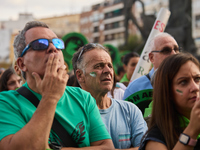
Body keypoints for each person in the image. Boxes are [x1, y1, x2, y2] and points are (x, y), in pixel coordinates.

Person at [0, 21, 114, 150]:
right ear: (21, 64)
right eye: (40, 44)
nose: (53, 48)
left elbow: (107, 148)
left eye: (57, 43)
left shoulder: (83, 98)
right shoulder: (6, 103)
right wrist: (50, 97)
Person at [72, 43, 147, 149]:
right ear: (80, 75)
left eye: (110, 66)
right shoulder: (69, 114)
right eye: (98, 66)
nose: (108, 71)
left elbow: (146, 148)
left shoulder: (130, 110)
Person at [139, 53, 200, 150]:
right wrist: (192, 130)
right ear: (167, 91)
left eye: (197, 79)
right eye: (183, 82)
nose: (195, 88)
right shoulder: (155, 139)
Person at [123, 32, 180, 114]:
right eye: (166, 50)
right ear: (152, 57)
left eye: (176, 49)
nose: (174, 54)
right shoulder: (134, 88)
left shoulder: (191, 83)